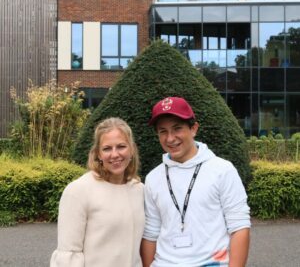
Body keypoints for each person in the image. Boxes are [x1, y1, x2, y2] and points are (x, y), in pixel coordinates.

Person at [141, 97, 250, 267]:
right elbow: (150, 233)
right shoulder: (153, 178)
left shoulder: (222, 170)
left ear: (194, 128)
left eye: (177, 129)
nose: (170, 138)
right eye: (163, 131)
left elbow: (239, 227)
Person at [50, 117, 145, 267]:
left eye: (121, 146)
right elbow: (69, 254)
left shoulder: (139, 190)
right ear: (98, 154)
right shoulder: (78, 191)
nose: (115, 154)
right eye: (107, 148)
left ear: (131, 149)